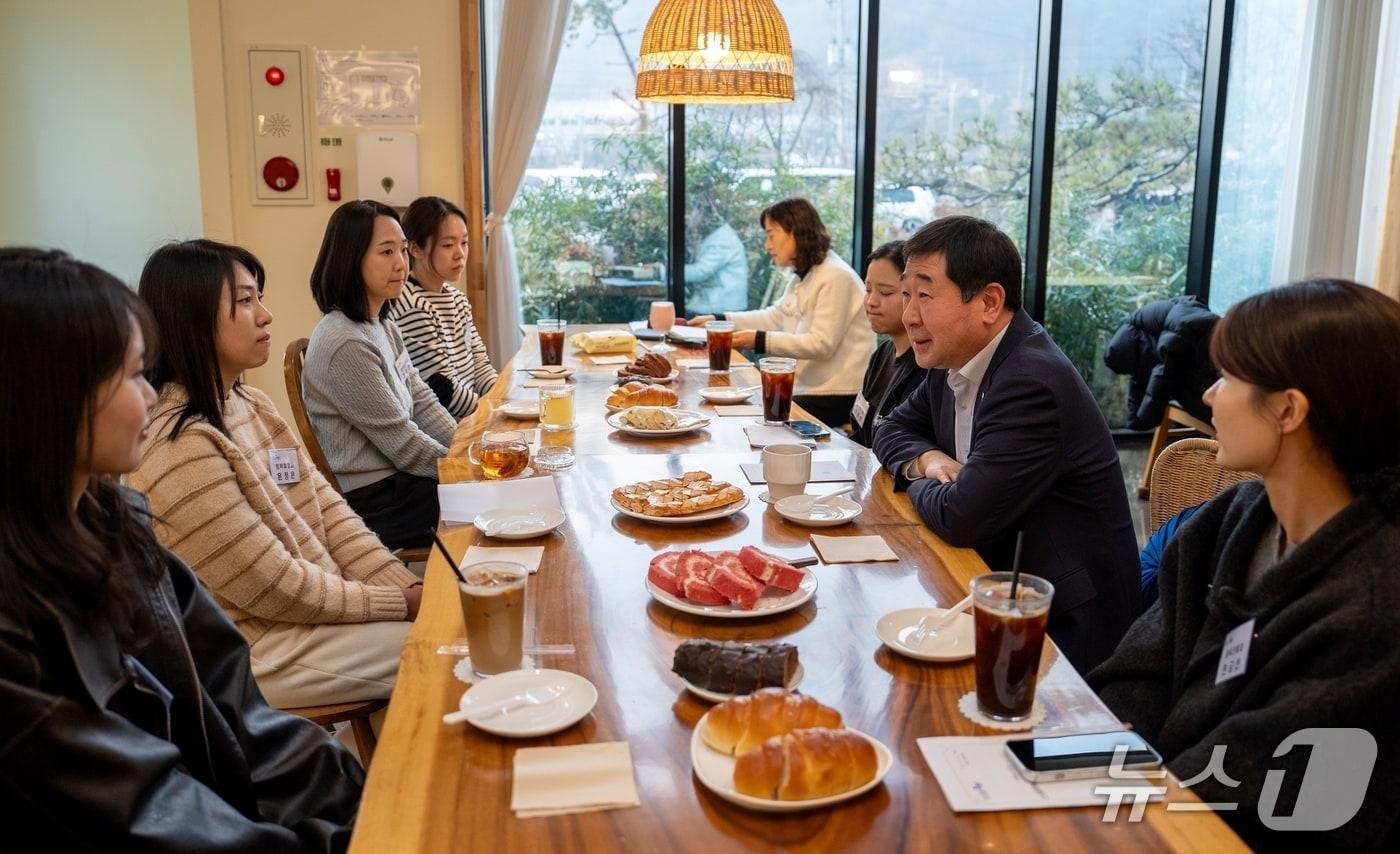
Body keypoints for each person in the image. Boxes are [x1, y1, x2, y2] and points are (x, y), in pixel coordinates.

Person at [0, 247, 363, 850]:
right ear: (50, 395)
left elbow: (243, 715)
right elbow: (152, 817)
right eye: (132, 375)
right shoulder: (15, 628)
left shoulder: (115, 526)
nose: (150, 395)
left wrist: (368, 809)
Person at [1089, 279, 1400, 848]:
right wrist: (1088, 770)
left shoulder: (1374, 606)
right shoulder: (1229, 518)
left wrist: (1117, 804)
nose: (1209, 395)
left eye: (1229, 377)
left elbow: (1254, 784)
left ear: (1288, 410)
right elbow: (1138, 669)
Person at [130, 239, 421, 709]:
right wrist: (399, 604)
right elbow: (273, 585)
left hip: (305, 618)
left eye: (259, 298)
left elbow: (330, 514)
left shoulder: (249, 402)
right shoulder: (179, 445)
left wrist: (405, 586)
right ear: (192, 318)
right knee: (446, 646)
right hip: (257, 646)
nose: (266, 316)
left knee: (445, 621)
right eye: (246, 301)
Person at [872, 216, 1138, 673]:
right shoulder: (951, 359)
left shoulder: (1030, 381)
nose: (910, 315)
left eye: (925, 296)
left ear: (989, 302)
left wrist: (920, 485)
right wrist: (929, 462)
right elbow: (889, 428)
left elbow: (961, 516)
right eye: (907, 295)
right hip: (985, 584)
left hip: (1061, 630)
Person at [303, 199, 457, 550]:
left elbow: (422, 401)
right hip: (375, 501)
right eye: (386, 252)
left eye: (402, 250)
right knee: (491, 501)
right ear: (350, 259)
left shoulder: (382, 325)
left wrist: (465, 446)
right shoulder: (345, 341)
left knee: (499, 489)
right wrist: (464, 469)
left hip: (401, 483)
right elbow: (403, 443)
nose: (401, 264)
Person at [688, 197, 874, 429]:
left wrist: (757, 340)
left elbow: (821, 344)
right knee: (743, 408)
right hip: (809, 388)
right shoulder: (806, 274)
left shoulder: (836, 276)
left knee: (754, 415)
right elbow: (774, 317)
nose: (767, 245)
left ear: (795, 231)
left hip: (837, 393)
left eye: (771, 235)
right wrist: (719, 319)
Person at [385, 196, 498, 419]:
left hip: (475, 417)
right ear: (415, 249)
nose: (460, 253)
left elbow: (480, 366)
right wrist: (495, 412)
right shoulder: (411, 305)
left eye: (464, 242)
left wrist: (503, 400)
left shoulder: (458, 299)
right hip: (449, 428)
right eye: (448, 245)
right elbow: (445, 393)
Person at [849, 240, 927, 447]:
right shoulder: (882, 354)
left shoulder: (925, 365)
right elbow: (859, 428)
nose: (871, 302)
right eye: (868, 290)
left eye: (885, 292)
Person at [683, 204, 748, 315]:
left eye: (691, 213)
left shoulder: (723, 239)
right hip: (716, 303)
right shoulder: (719, 234)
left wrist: (662, 271)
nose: (688, 219)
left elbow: (701, 272)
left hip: (722, 309)